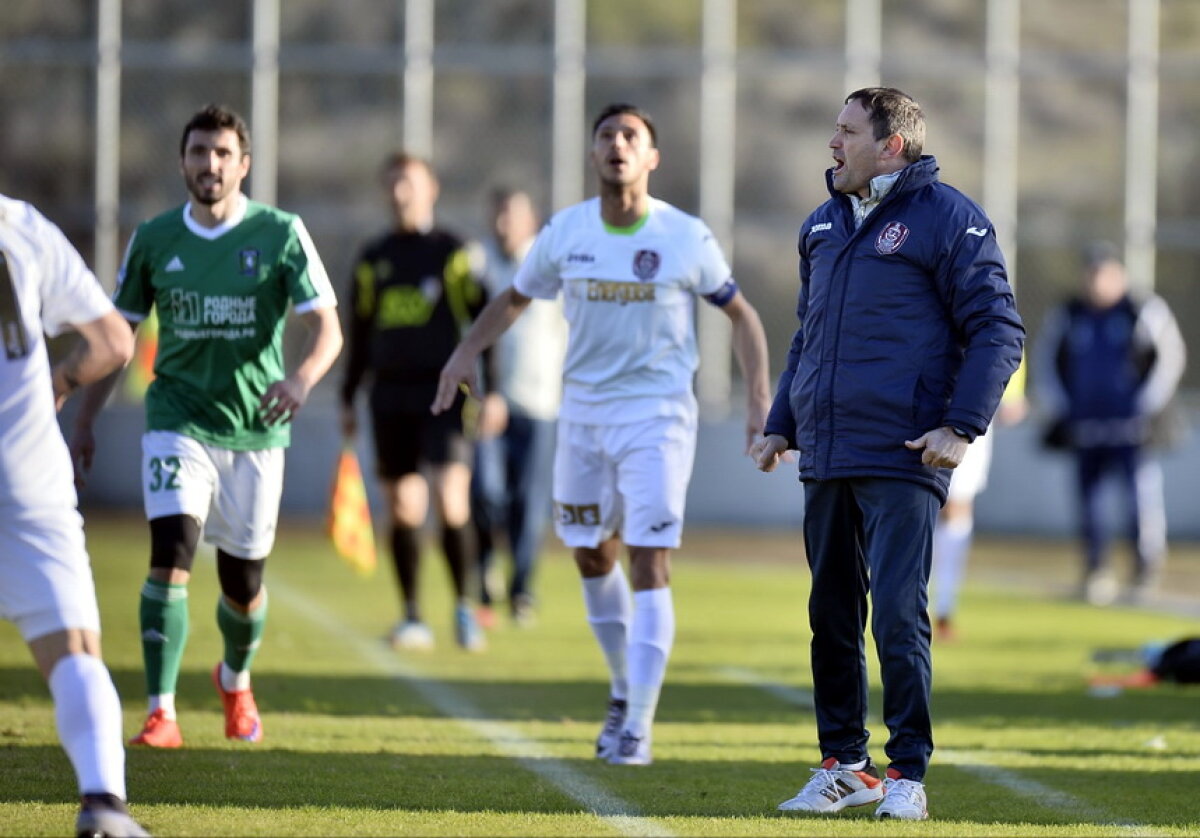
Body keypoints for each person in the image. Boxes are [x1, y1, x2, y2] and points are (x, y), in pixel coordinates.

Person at [433, 102, 771, 766]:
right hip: (583, 415)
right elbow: (514, 299)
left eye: (631, 136)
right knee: (591, 554)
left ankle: (638, 725)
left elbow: (743, 315)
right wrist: (464, 352)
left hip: (658, 417)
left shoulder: (684, 235)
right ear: (593, 155)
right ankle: (624, 691)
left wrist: (760, 398)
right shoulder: (566, 232)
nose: (617, 144)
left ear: (651, 157)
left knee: (649, 557)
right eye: (607, 136)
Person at [751, 87, 1024, 819]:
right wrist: (781, 422)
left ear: (891, 144)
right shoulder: (821, 225)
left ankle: (907, 775)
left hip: (905, 451)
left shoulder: (950, 219)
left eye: (845, 131)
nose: (831, 144)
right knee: (831, 614)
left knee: (898, 614)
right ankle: (845, 766)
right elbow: (808, 337)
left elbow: (999, 330)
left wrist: (960, 428)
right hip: (828, 450)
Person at [70, 103, 343, 750]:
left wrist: (300, 381)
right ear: (183, 162)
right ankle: (161, 712)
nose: (210, 164)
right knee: (171, 555)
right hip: (177, 420)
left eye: (223, 154)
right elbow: (117, 336)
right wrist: (84, 417)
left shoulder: (281, 234)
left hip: (256, 430)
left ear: (243, 165)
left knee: (243, 585)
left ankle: (235, 678)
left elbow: (327, 327)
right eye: (199, 152)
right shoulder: (155, 239)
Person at [0, 194, 148, 836]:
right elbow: (114, 341)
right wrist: (59, 382)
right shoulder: (18, 223)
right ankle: (102, 805)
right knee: (75, 650)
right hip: (23, 462)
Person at [340, 151, 490, 653]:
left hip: (445, 393)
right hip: (388, 395)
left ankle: (466, 608)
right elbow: (358, 332)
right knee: (404, 507)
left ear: (432, 188)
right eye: (393, 184)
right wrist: (347, 394)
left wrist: (497, 391)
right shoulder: (373, 257)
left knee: (451, 498)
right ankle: (412, 615)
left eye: (410, 183)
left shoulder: (454, 252)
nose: (401, 192)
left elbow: (492, 322)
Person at [1033, 241, 1186, 606]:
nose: (1095, 281)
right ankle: (1095, 570)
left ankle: (1143, 571)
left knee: (1139, 500)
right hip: (1086, 426)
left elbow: (1169, 358)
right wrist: (1064, 406)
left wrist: (1144, 405)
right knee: (1090, 502)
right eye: (1091, 274)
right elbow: (1047, 360)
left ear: (1119, 275)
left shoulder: (1142, 310)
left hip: (1132, 429)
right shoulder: (1070, 314)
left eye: (1103, 273)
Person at [471, 187, 567, 627]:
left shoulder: (551, 269)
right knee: (485, 491)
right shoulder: (477, 264)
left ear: (532, 221)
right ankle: (486, 564)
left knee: (528, 505)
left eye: (513, 214)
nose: (504, 222)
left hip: (539, 402)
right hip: (489, 401)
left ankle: (522, 589)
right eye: (499, 212)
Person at [931, 366, 1027, 642]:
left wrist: (1013, 393)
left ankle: (943, 608)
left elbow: (1004, 336)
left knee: (955, 506)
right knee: (918, 505)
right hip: (923, 403)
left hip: (970, 412)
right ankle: (912, 604)